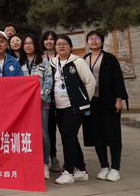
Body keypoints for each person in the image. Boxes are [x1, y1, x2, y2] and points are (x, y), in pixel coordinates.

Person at [82, 30, 128, 182]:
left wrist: (118, 99)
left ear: (101, 42)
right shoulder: (85, 59)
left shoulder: (109, 58)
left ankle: (115, 168)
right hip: (92, 102)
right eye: (91, 39)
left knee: (113, 133)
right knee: (97, 134)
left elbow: (118, 80)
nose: (94, 41)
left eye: (96, 39)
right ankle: (104, 166)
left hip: (108, 102)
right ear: (87, 42)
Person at [52, 34, 96, 185]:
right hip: (59, 107)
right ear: (55, 47)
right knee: (69, 137)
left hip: (74, 107)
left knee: (68, 137)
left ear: (70, 46)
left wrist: (84, 101)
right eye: (58, 44)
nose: (61, 46)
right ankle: (81, 170)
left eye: (64, 44)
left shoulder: (78, 61)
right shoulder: (53, 63)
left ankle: (68, 171)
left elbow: (90, 82)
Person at [19, 34, 53, 179]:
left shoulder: (44, 60)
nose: (28, 45)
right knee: (26, 134)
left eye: (30, 43)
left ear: (36, 45)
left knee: (43, 133)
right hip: (24, 104)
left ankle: (44, 164)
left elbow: (49, 80)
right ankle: (30, 163)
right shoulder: (18, 61)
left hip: (41, 103)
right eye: (25, 43)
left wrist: (42, 97)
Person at [42, 30, 61, 173]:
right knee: (48, 130)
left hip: (61, 98)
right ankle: (51, 157)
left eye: (51, 39)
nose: (49, 42)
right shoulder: (40, 58)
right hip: (46, 100)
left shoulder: (61, 56)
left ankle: (56, 158)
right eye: (46, 39)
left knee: (61, 131)